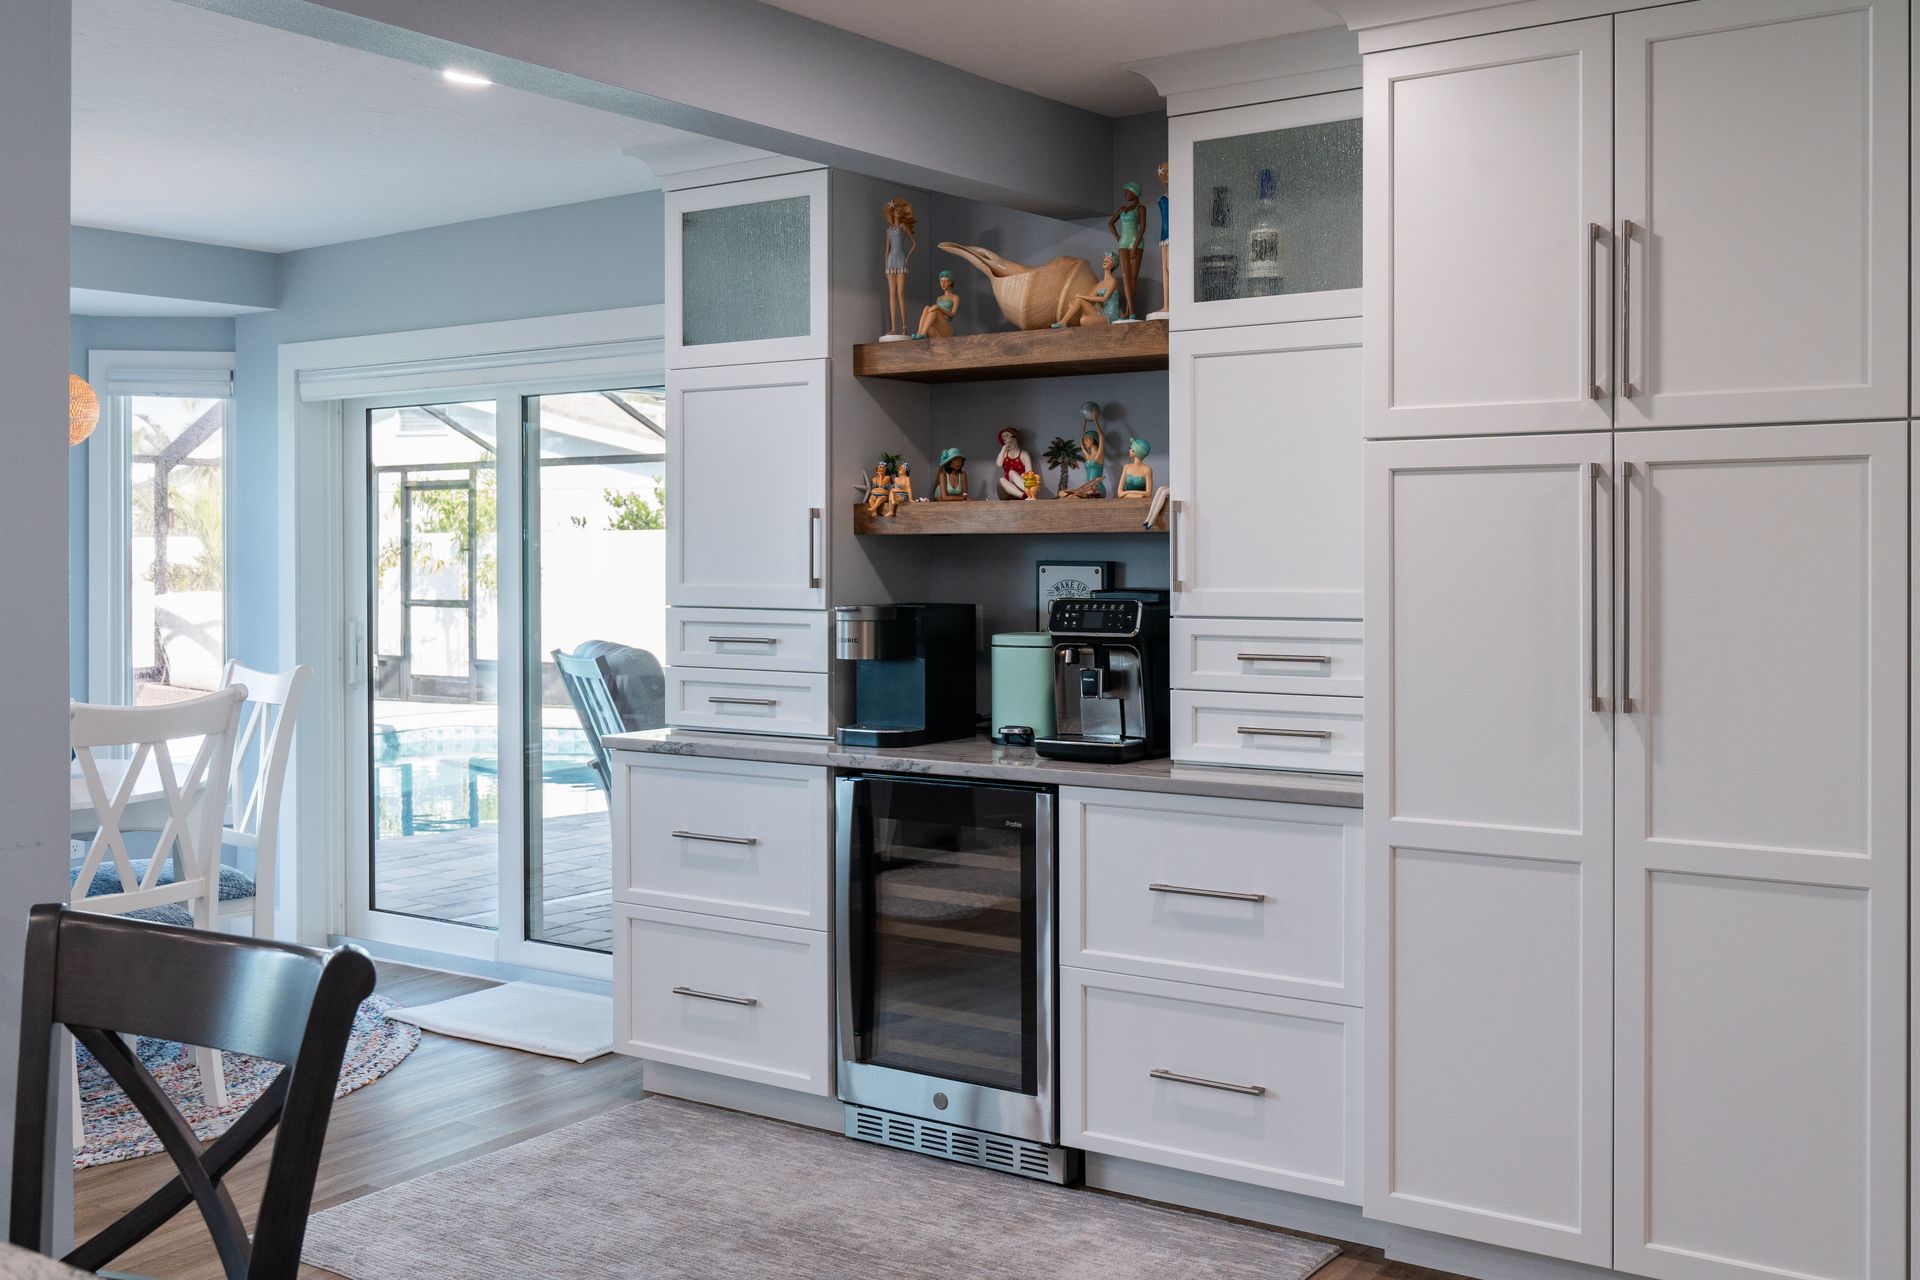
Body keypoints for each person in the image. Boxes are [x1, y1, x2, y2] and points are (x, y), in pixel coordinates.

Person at [1108, 180, 1147, 319]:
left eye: (1128, 191)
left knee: (1132, 277)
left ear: (1135, 192)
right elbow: (1110, 223)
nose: (1125, 194)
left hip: (1136, 243)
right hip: (1123, 243)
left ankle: (1129, 311)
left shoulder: (1141, 208)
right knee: (1125, 276)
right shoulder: (1123, 209)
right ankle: (1130, 311)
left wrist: (1135, 246)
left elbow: (1142, 229)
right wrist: (1118, 237)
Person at [1052, 252, 1120, 329]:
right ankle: (1063, 322)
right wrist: (1073, 306)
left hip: (1111, 316)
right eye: (1105, 258)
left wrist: (1081, 296)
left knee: (1083, 320)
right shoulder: (1100, 284)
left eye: (1109, 260)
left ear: (1113, 265)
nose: (1105, 261)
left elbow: (1103, 299)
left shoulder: (1113, 281)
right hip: (1102, 314)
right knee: (1079, 300)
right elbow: (1089, 299)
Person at [882, 197, 917, 337]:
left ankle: (904, 326)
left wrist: (907, 258)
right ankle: (893, 328)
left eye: (901, 211)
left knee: (900, 293)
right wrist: (885, 265)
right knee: (891, 294)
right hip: (890, 262)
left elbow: (914, 243)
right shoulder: (889, 230)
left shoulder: (904, 228)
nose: (898, 212)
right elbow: (887, 250)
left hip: (901, 260)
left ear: (902, 214)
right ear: (892, 212)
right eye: (896, 210)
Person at [913, 270, 959, 339]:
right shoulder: (939, 298)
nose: (943, 284)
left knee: (936, 311)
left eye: (945, 281)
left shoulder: (955, 297)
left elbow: (952, 314)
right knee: (927, 308)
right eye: (941, 281)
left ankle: (922, 334)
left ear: (951, 282)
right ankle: (919, 333)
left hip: (948, 327)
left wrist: (939, 308)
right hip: (938, 327)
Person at [995, 428, 1035, 499]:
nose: (1003, 437)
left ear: (1014, 436)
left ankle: (1028, 493)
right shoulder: (1004, 453)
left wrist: (1023, 476)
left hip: (1020, 486)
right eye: (1002, 436)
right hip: (1007, 489)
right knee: (1001, 480)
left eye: (1006, 435)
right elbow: (998, 464)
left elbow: (1029, 473)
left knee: (1011, 472)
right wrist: (1004, 447)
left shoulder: (1023, 454)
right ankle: (1023, 495)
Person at [1078, 402, 1107, 497]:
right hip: (1088, 489)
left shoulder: (1099, 454)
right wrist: (1084, 422)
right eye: (1085, 440)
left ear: (1093, 440)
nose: (1085, 442)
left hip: (1097, 489)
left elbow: (1101, 436)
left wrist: (1095, 420)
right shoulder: (1089, 456)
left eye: (1087, 440)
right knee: (1064, 494)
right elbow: (1080, 441)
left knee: (1085, 494)